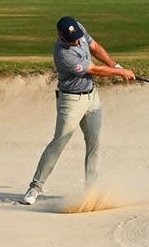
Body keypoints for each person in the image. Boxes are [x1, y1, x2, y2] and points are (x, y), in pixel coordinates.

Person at [17, 16, 134, 206]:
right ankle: (35, 187)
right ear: (61, 36)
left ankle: (91, 190)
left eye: (78, 37)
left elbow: (94, 46)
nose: (78, 41)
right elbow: (94, 70)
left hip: (92, 97)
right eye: (73, 40)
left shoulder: (77, 29)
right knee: (59, 142)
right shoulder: (63, 54)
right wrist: (121, 73)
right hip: (71, 101)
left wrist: (115, 65)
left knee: (94, 142)